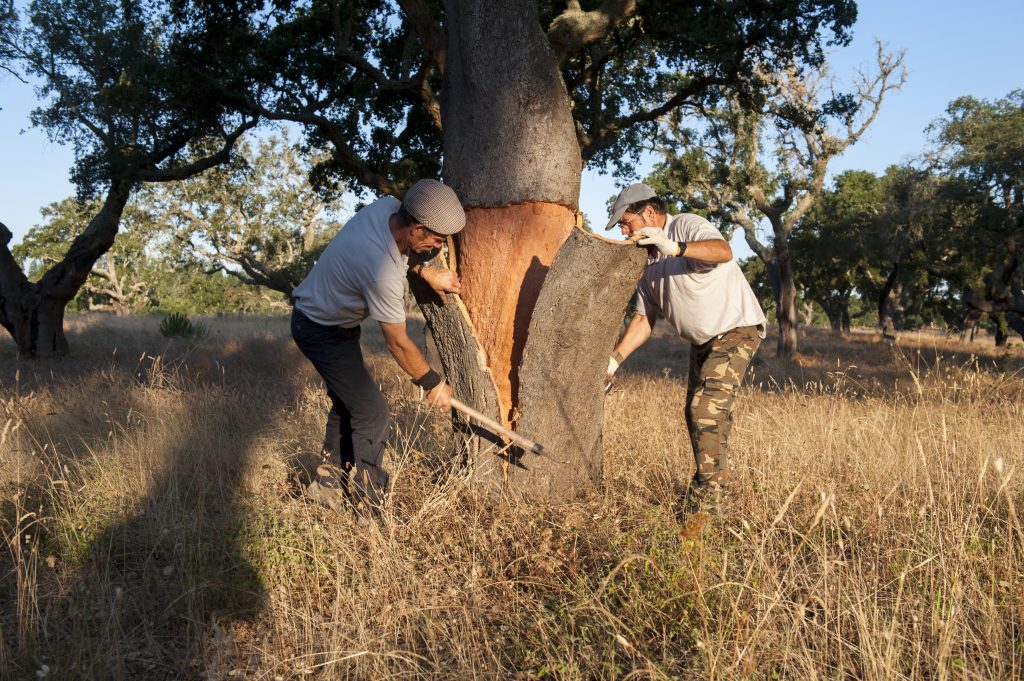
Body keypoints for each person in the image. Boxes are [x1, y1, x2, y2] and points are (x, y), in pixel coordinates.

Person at [291, 178, 465, 518]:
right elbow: (397, 343)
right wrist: (433, 384)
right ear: (417, 229)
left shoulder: (388, 209)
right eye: (436, 241)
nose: (438, 248)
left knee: (348, 404)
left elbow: (403, 254)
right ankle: (371, 509)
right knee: (372, 411)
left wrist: (425, 272)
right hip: (319, 329)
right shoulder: (380, 272)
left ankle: (325, 487)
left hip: (333, 324)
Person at [604, 183, 766, 509]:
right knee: (697, 414)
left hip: (735, 328)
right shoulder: (646, 263)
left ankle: (713, 504)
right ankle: (710, 486)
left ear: (648, 213)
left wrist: (673, 246)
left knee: (704, 410)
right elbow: (643, 320)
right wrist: (613, 362)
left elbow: (722, 251)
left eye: (625, 222)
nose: (623, 231)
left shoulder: (685, 225)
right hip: (703, 342)